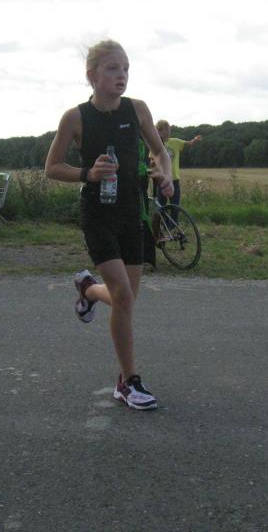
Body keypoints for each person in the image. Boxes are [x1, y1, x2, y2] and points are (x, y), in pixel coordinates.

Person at [44, 39, 173, 410]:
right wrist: (88, 173)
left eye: (126, 68)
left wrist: (164, 174)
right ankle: (128, 382)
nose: (122, 75)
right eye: (113, 68)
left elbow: (160, 151)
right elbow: (52, 167)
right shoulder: (75, 118)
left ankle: (87, 289)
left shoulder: (138, 109)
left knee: (124, 301)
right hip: (98, 214)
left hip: (133, 213)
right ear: (92, 75)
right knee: (124, 297)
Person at [154, 119, 202, 211]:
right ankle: (163, 220)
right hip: (161, 180)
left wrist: (195, 139)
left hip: (174, 179)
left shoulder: (175, 141)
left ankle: (173, 221)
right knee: (161, 206)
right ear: (159, 131)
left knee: (175, 206)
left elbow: (189, 143)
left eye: (169, 129)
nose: (169, 131)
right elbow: (152, 160)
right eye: (166, 129)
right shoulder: (155, 143)